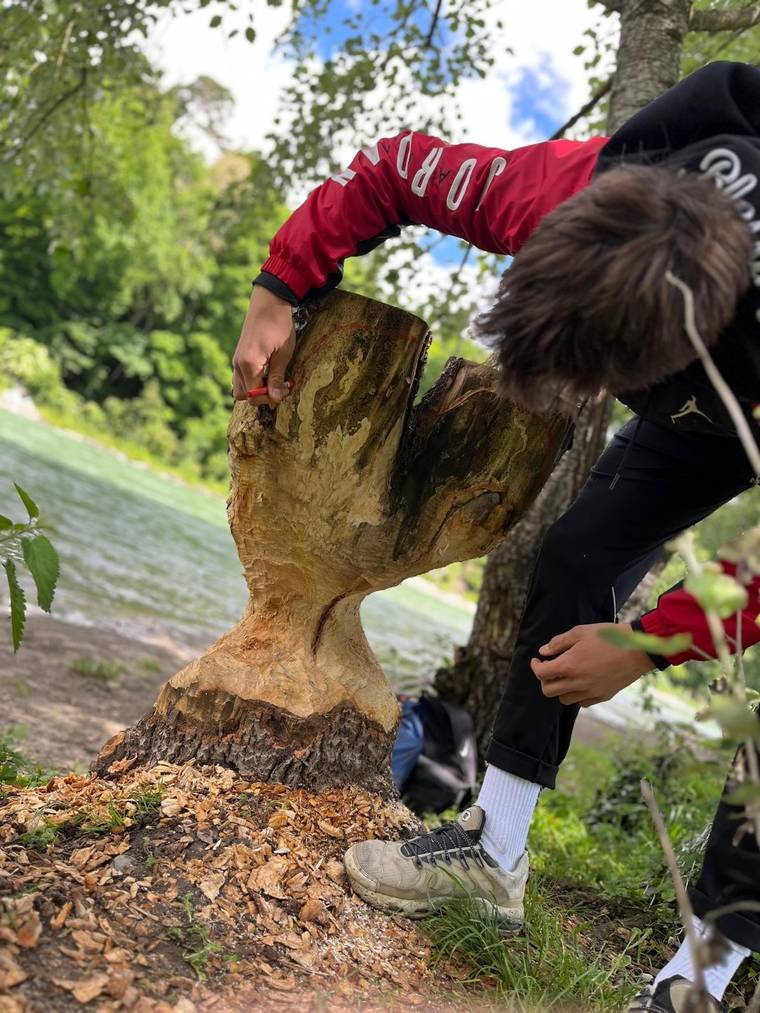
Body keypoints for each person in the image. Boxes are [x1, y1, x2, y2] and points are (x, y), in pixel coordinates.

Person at [232, 61, 760, 1013]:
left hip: (741, 388)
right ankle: (493, 851)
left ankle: (704, 970)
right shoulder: (562, 187)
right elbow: (393, 168)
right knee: (578, 557)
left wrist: (650, 642)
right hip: (704, 394)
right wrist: (280, 284)